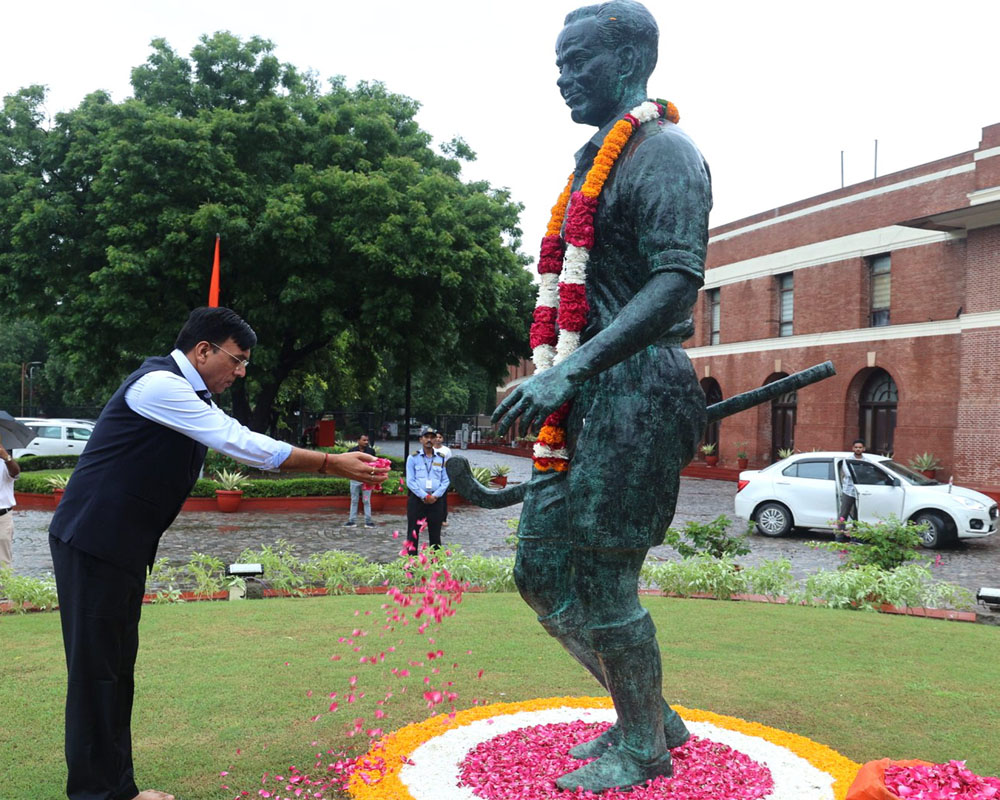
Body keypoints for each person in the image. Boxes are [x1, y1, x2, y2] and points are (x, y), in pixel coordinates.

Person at [492, 1, 711, 791]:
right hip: (587, 400)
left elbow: (677, 283)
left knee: (607, 576)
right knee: (541, 571)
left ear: (630, 61)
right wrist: (563, 375)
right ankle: (649, 715)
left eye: (575, 62)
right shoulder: (594, 163)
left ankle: (645, 745)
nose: (561, 79)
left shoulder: (663, 153)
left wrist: (569, 370)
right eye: (558, 65)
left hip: (637, 394)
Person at [47, 307, 389, 800]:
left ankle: (118, 788)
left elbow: (233, 437)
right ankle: (97, 793)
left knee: (116, 670)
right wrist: (331, 462)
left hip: (119, 546)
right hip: (92, 541)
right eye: (238, 358)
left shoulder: (189, 394)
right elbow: (238, 442)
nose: (242, 371)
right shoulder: (158, 386)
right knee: (95, 673)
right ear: (203, 350)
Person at [404, 426, 449, 554]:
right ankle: (411, 564)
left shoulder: (441, 458)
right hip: (417, 500)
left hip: (436, 500)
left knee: (435, 535)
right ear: (421, 440)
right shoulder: (413, 458)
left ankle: (436, 565)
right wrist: (424, 495)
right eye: (426, 437)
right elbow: (410, 481)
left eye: (432, 437)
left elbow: (446, 480)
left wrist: (435, 495)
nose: (429, 440)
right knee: (413, 532)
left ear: (435, 440)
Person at [836, 439, 866, 542]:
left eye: (860, 447)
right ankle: (839, 535)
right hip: (848, 490)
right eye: (856, 447)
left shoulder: (866, 461)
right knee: (844, 513)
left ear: (863, 449)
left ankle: (855, 536)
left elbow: (869, 473)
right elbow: (849, 474)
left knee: (858, 515)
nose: (858, 449)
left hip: (861, 492)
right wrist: (862, 473)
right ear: (853, 448)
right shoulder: (847, 460)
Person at [346, 433, 377, 528]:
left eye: (367, 440)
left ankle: (368, 521)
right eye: (364, 440)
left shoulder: (371, 451)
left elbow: (375, 464)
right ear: (358, 440)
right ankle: (351, 521)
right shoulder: (351, 451)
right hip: (354, 478)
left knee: (367, 501)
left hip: (366, 479)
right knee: (354, 500)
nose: (366, 442)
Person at [0, 436, 20, 569]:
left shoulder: (5, 462)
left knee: (3, 562)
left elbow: (15, 472)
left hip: (2, 517)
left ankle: (4, 590)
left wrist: (5, 456)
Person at [433, 431, 452, 527]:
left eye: (440, 437)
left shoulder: (446, 450)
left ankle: (443, 519)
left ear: (442, 439)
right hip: (431, 478)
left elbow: (449, 464)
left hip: (442, 477)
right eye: (436, 437)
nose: (438, 439)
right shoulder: (429, 449)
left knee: (443, 500)